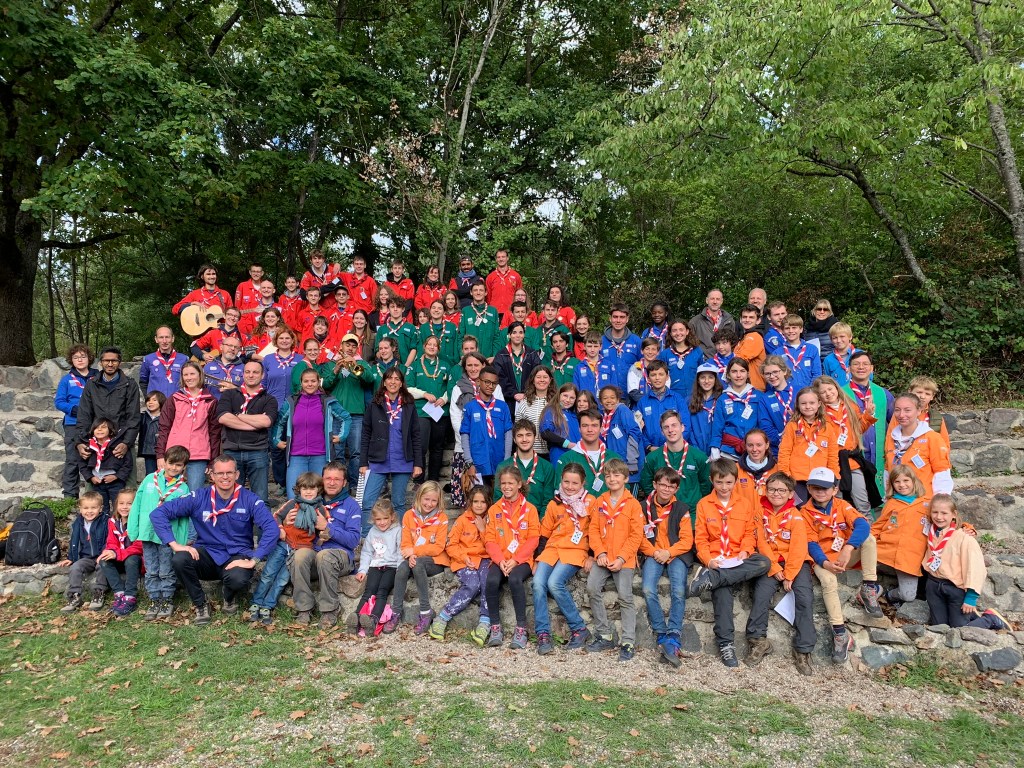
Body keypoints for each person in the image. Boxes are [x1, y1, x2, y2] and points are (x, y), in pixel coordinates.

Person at [151, 454, 279, 625]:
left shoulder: (249, 499)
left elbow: (272, 529)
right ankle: (200, 604)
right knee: (180, 559)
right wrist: (174, 545)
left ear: (237, 474)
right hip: (207, 554)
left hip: (236, 556)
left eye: (229, 472)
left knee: (238, 578)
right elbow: (158, 513)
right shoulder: (199, 497)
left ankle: (229, 596)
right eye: (220, 473)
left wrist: (254, 559)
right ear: (212, 475)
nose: (225, 477)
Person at [686, 459, 771, 668]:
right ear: (711, 481)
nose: (724, 487)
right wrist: (709, 560)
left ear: (735, 482)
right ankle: (726, 644)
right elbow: (701, 539)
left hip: (738, 559)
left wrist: (745, 551)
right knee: (722, 593)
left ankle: (712, 579)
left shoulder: (744, 504)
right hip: (717, 559)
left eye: (729, 483)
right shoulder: (704, 504)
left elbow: (750, 533)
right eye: (719, 482)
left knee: (764, 562)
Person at [800, 467, 882, 663]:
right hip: (822, 559)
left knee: (869, 539)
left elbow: (863, 524)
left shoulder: (842, 505)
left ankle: (869, 587)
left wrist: (849, 547)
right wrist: (825, 563)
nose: (820, 491)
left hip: (844, 554)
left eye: (825, 487)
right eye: (816, 487)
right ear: (809, 489)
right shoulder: (804, 512)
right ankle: (840, 633)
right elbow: (811, 543)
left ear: (835, 489)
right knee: (829, 582)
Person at [748, 471, 816, 675]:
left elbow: (799, 547)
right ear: (765, 490)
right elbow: (761, 542)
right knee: (761, 594)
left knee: (804, 597)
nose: (776, 493)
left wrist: (790, 574)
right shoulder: (759, 512)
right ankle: (758, 640)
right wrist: (775, 568)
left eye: (781, 490)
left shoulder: (796, 515)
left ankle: (803, 649)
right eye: (772, 489)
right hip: (769, 562)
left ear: (790, 494)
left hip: (795, 562)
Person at [585, 458, 644, 661]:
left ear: (626, 479)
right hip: (603, 557)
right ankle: (604, 634)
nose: (612, 479)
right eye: (608, 475)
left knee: (625, 597)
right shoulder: (599, 501)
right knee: (592, 588)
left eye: (617, 475)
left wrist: (621, 558)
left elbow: (636, 536)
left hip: (623, 559)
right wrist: (600, 553)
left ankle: (628, 641)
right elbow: (593, 529)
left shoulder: (633, 505)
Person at [533, 463, 595, 654]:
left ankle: (579, 628)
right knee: (538, 583)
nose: (569, 486)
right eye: (566, 482)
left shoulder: (591, 502)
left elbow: (596, 530)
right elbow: (544, 533)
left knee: (554, 583)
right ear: (561, 481)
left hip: (575, 550)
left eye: (575, 483)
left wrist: (592, 556)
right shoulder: (555, 503)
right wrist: (536, 559)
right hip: (552, 549)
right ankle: (543, 634)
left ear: (583, 483)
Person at [922, 494, 1009, 630]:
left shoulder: (964, 538)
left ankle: (990, 619)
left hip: (955, 589)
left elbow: (976, 568)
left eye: (944, 513)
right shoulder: (930, 532)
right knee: (940, 628)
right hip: (934, 585)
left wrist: (971, 597)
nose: (939, 517)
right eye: (935, 512)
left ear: (954, 514)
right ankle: (971, 616)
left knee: (960, 629)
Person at [291, 461, 361, 628]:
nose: (332, 482)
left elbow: (353, 540)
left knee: (325, 555)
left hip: (340, 556)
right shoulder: (311, 500)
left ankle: (330, 609)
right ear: (322, 480)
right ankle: (304, 608)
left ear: (344, 482)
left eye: (337, 479)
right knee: (299, 555)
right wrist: (287, 521)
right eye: (328, 478)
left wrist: (327, 528)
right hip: (315, 552)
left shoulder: (351, 505)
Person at [249, 472, 326, 626]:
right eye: (304, 488)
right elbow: (276, 516)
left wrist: (322, 536)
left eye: (312, 488)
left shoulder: (320, 509)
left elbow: (324, 528)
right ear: (299, 489)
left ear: (318, 490)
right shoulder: (292, 504)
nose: (308, 492)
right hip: (283, 544)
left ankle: (268, 605)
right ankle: (256, 602)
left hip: (300, 550)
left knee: (282, 579)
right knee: (268, 573)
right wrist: (280, 528)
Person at [127, 445, 191, 621]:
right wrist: (133, 529)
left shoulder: (183, 488)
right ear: (165, 462)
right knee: (151, 569)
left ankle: (167, 599)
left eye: (178, 465)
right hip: (147, 533)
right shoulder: (149, 480)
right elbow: (137, 505)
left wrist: (180, 541)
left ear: (184, 467)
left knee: (166, 570)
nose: (173, 468)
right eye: (171, 463)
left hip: (167, 537)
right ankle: (155, 599)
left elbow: (184, 518)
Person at [639, 467, 694, 668]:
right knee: (647, 589)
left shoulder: (682, 508)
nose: (666, 489)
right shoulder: (643, 507)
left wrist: (668, 552)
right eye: (662, 485)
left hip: (675, 554)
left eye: (671, 486)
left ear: (676, 489)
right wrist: (654, 552)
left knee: (678, 590)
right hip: (653, 553)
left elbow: (687, 540)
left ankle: (674, 633)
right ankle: (661, 632)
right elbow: (639, 536)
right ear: (655, 485)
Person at [483, 466, 541, 649]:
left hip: (521, 559)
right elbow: (489, 539)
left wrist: (516, 560)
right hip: (500, 558)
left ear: (519, 484)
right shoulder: (494, 509)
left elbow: (533, 539)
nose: (506, 486)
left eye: (510, 483)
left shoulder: (530, 509)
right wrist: (500, 560)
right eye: (503, 483)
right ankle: (495, 627)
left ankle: (521, 628)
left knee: (515, 579)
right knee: (491, 580)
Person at [360, 368, 423, 533]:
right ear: (384, 382)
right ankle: (366, 537)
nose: (393, 382)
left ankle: (399, 538)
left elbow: (416, 435)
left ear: (401, 383)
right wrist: (363, 462)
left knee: (399, 503)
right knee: (368, 501)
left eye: (396, 379)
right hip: (378, 459)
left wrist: (418, 463)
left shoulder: (409, 405)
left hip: (402, 459)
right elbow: (366, 434)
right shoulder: (374, 404)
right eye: (389, 378)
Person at [273, 368, 351, 499]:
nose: (310, 384)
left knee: (320, 496)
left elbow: (346, 417)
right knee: (293, 496)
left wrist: (342, 436)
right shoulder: (292, 402)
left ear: (318, 382)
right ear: (301, 383)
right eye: (306, 381)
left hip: (320, 455)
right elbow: (279, 421)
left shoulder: (327, 401)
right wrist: (276, 440)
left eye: (313, 381)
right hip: (296, 456)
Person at [385, 481, 451, 634]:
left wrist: (414, 551)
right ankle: (396, 612)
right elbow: (405, 543)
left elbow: (438, 547)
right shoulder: (409, 515)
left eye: (434, 500)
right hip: (413, 557)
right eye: (426, 499)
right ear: (419, 497)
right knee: (402, 568)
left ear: (439, 501)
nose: (429, 503)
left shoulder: (442, 518)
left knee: (418, 564)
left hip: (435, 560)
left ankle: (425, 611)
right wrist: (411, 554)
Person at [430, 487, 492, 644]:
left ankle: (485, 622)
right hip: (463, 559)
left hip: (485, 558)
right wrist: (464, 558)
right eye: (475, 501)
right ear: (470, 502)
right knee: (472, 584)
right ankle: (443, 617)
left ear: (488, 503)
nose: (479, 505)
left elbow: (494, 544)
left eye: (483, 502)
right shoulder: (462, 520)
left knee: (488, 582)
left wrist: (483, 529)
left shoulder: (492, 520)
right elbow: (451, 545)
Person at [815, 375, 881, 513]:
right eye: (823, 392)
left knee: (862, 501)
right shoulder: (818, 413)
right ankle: (838, 525)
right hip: (831, 463)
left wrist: (868, 414)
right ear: (818, 396)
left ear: (836, 388)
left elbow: (858, 429)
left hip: (852, 462)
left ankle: (867, 526)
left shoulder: (850, 405)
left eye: (830, 389)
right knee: (836, 501)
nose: (828, 393)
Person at [216, 360, 278, 502]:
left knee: (260, 497)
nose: (251, 375)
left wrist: (238, 415)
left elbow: (266, 421)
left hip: (257, 452)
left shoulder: (269, 399)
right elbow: (223, 418)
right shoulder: (229, 394)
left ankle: (259, 518)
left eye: (255, 372)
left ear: (262, 375)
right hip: (232, 451)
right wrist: (253, 424)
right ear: (243, 374)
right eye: (247, 372)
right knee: (229, 496)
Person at [156, 361, 221, 494]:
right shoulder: (174, 399)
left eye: (192, 374)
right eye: (185, 375)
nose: (189, 378)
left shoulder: (210, 401)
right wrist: (160, 455)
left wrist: (213, 460)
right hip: (173, 453)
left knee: (195, 494)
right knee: (169, 493)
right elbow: (164, 428)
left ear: (200, 375)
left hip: (199, 455)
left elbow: (214, 433)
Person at [871, 465, 930, 606]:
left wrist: (966, 527)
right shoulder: (891, 503)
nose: (902, 485)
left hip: (909, 557)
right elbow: (878, 526)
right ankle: (871, 591)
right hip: (886, 550)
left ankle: (888, 595)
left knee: (908, 595)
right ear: (892, 484)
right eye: (897, 482)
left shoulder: (927, 503)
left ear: (914, 481)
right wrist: (865, 541)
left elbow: (946, 520)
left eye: (906, 480)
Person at [75, 347, 141, 469]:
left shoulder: (130, 385)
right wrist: (80, 441)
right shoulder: (91, 385)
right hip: (97, 440)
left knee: (127, 479)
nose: (110, 364)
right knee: (95, 479)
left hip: (121, 441)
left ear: (119, 362)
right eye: (106, 360)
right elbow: (84, 415)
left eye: (114, 361)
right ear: (101, 362)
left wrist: (126, 443)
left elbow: (133, 417)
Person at [638, 410, 711, 512]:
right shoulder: (652, 458)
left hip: (692, 513)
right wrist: (660, 501)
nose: (670, 430)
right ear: (662, 432)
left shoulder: (700, 457)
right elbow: (647, 484)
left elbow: (706, 486)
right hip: (663, 513)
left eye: (674, 425)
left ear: (682, 427)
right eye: (666, 427)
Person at [349, 499, 403, 636]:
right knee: (368, 591)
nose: (382, 522)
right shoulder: (373, 531)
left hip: (391, 567)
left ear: (392, 517)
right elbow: (367, 552)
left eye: (385, 518)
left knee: (382, 592)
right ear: (373, 519)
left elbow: (400, 551)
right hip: (375, 566)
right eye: (378, 519)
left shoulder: (398, 530)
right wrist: (363, 570)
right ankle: (356, 618)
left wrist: (400, 569)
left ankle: (373, 620)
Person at [777, 387, 840, 505]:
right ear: (798, 405)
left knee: (819, 509)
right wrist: (785, 475)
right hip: (796, 479)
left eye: (812, 403)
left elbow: (832, 454)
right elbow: (784, 452)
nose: (808, 406)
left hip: (821, 478)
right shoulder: (792, 426)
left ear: (819, 404)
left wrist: (833, 474)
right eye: (803, 403)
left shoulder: (827, 427)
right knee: (799, 509)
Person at [844, 351, 893, 496]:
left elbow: (894, 421)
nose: (861, 367)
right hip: (854, 452)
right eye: (856, 364)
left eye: (865, 364)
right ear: (849, 368)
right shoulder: (840, 393)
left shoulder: (883, 394)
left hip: (879, 451)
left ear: (872, 368)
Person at [885, 393, 953, 497]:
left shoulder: (932, 438)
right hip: (896, 501)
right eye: (897, 410)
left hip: (923, 501)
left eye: (907, 410)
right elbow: (887, 471)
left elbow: (942, 472)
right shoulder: (892, 438)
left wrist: (940, 500)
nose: (901, 415)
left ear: (918, 411)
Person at [328, 334, 373, 488]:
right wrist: (336, 370)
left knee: (356, 452)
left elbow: (369, 379)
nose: (350, 348)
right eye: (347, 345)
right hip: (336, 415)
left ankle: (354, 484)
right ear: (341, 346)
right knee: (337, 452)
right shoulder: (331, 363)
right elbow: (325, 385)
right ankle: (340, 485)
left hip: (356, 415)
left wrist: (354, 366)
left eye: (354, 346)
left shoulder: (362, 364)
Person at [406, 335, 451, 483]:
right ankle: (419, 481)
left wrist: (444, 398)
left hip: (440, 411)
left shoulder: (445, 365)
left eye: (435, 345)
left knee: (437, 447)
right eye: (429, 344)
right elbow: (408, 388)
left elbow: (451, 387)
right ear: (424, 346)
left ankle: (433, 481)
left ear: (438, 348)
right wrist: (424, 394)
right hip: (421, 411)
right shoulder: (415, 365)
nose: (432, 347)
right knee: (421, 445)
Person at [460, 365, 513, 490]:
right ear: (479, 381)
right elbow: (465, 435)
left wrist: (506, 461)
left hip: (499, 462)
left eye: (494, 383)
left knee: (498, 497)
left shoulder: (503, 406)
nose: (490, 386)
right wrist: (469, 463)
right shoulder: (470, 407)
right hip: (477, 463)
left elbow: (508, 434)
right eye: (487, 382)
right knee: (479, 497)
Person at [55, 344, 97, 498]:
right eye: (76, 357)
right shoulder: (66, 380)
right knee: (73, 460)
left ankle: (95, 495)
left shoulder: (98, 377)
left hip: (95, 424)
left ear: (89, 358)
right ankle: (70, 496)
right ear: (71, 360)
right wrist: (74, 409)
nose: (80, 360)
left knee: (96, 457)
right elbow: (59, 402)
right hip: (73, 423)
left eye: (83, 356)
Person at [59, 491, 110, 613]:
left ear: (100, 508)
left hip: (102, 555)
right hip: (86, 557)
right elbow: (74, 541)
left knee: (102, 566)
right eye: (86, 508)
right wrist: (71, 558)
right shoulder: (78, 522)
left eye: (93, 508)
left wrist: (105, 553)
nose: (89, 511)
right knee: (75, 567)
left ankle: (99, 593)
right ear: (80, 509)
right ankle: (74, 596)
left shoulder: (106, 521)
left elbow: (109, 540)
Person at [492, 419, 556, 514]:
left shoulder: (547, 467)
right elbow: (498, 499)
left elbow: (548, 501)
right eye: (520, 436)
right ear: (514, 439)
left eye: (528, 435)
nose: (524, 439)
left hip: (537, 520)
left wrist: (538, 522)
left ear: (535, 437)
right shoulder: (503, 466)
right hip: (510, 519)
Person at [97, 489, 144, 617]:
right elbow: (111, 542)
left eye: (129, 503)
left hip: (136, 562)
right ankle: (119, 593)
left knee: (132, 559)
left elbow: (139, 547)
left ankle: (130, 596)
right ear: (116, 504)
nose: (124, 507)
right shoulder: (113, 521)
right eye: (121, 503)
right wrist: (109, 551)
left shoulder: (140, 522)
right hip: (120, 558)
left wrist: (117, 554)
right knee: (104, 560)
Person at [556, 408, 622, 496]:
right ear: (579, 429)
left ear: (601, 428)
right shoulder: (566, 459)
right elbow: (559, 493)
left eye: (594, 425)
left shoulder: (614, 458)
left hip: (608, 505)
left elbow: (623, 490)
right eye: (585, 425)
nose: (590, 429)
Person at [709, 358, 762, 460]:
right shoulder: (722, 399)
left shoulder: (759, 396)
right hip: (729, 452)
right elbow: (717, 427)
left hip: (755, 451)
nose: (738, 375)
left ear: (748, 374)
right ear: (728, 375)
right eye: (734, 371)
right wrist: (715, 449)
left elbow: (763, 425)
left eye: (742, 371)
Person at [634, 360, 688, 457]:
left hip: (675, 451)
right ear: (648, 378)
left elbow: (686, 425)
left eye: (661, 374)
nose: (657, 378)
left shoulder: (677, 399)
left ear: (667, 377)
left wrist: (674, 444)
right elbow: (638, 429)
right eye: (653, 375)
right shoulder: (642, 402)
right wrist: (648, 446)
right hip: (652, 452)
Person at [79, 417, 132, 515]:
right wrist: (91, 477)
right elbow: (82, 464)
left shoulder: (118, 446)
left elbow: (127, 464)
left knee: (118, 506)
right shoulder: (89, 446)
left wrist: (116, 476)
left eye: (103, 427)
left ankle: (117, 524)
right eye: (96, 428)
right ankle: (103, 523)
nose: (99, 430)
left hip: (115, 482)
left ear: (110, 431)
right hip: (97, 483)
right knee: (102, 508)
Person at [494, 322, 541, 402]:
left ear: (524, 335)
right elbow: (500, 377)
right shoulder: (501, 355)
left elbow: (537, 374)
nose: (518, 335)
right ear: (509, 335)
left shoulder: (532, 354)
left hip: (529, 398)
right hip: (507, 400)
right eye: (514, 332)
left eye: (521, 332)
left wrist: (526, 393)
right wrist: (514, 393)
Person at [757, 355, 795, 454]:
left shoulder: (800, 391)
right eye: (767, 374)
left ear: (784, 371)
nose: (772, 376)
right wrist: (781, 440)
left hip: (802, 445)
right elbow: (765, 426)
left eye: (775, 372)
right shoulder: (764, 399)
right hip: (779, 449)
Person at [600, 304, 642, 394]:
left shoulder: (636, 341)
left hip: (631, 394)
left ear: (627, 319)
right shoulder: (601, 341)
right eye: (615, 317)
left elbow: (644, 365)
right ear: (610, 318)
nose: (618, 321)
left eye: (622, 317)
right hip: (607, 395)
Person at [140, 326, 189, 400]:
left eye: (167, 337)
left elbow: (189, 381)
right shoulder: (148, 359)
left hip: (177, 402)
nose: (164, 341)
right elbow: (143, 382)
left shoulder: (184, 359)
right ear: (156, 339)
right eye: (161, 337)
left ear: (172, 338)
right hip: (157, 404)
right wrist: (149, 399)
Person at [659, 319, 703, 401]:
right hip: (672, 398)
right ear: (670, 333)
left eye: (681, 330)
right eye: (674, 330)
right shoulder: (664, 354)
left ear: (687, 331)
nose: (678, 333)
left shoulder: (697, 351)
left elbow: (702, 374)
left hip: (694, 398)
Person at [515, 366, 554, 455]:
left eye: (545, 377)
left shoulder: (555, 403)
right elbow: (517, 429)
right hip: (529, 452)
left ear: (550, 380)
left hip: (550, 452)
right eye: (538, 377)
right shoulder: (524, 403)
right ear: (533, 380)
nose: (542, 380)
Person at [734, 428, 777, 510]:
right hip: (743, 516)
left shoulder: (778, 470)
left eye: (759, 445)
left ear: (767, 445)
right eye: (750, 445)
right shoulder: (734, 470)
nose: (754, 449)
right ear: (745, 446)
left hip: (768, 517)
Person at [540, 384, 581, 466]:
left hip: (577, 455)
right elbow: (545, 433)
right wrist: (567, 444)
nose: (568, 400)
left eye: (572, 398)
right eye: (565, 396)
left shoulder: (574, 414)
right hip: (559, 454)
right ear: (559, 395)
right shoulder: (551, 411)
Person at [686, 364, 723, 454]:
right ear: (698, 380)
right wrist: (694, 448)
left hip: (718, 450)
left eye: (710, 377)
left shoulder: (721, 399)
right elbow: (687, 426)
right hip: (695, 449)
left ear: (715, 380)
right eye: (703, 377)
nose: (706, 381)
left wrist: (717, 447)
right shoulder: (689, 400)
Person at [780, 314, 821, 392]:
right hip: (788, 392)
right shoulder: (777, 353)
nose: (791, 331)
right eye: (787, 328)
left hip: (810, 391)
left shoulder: (812, 349)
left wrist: (810, 390)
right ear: (782, 331)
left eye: (794, 327)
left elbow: (817, 373)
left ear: (801, 329)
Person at [459, 281, 500, 359]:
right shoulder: (465, 311)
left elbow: (497, 336)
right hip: (470, 358)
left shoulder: (493, 311)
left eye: (481, 290)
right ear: (471, 292)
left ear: (486, 293)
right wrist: (462, 355)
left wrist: (495, 356)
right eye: (475, 290)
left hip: (488, 358)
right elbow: (460, 336)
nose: (478, 293)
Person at [690, 289, 736, 356]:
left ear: (721, 301)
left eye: (718, 299)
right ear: (707, 300)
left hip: (724, 360)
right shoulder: (695, 321)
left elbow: (733, 343)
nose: (715, 302)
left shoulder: (729, 321)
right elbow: (689, 343)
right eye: (712, 299)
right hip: (704, 360)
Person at [375, 295, 419, 367]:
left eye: (398, 306)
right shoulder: (382, 329)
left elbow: (414, 349)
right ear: (388, 309)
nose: (395, 309)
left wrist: (405, 367)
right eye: (392, 307)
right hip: (387, 368)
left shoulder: (411, 327)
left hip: (406, 366)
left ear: (403, 309)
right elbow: (377, 350)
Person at [734, 305, 767, 391]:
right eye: (744, 317)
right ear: (740, 319)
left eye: (751, 317)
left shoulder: (754, 336)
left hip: (754, 388)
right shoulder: (745, 336)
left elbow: (739, 360)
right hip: (745, 387)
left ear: (758, 320)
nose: (747, 320)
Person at [419, 299, 460, 368]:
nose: (436, 310)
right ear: (430, 310)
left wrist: (455, 365)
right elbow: (420, 348)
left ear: (444, 312)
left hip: (449, 365)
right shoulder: (423, 328)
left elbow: (456, 348)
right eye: (434, 308)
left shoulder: (452, 327)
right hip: (428, 366)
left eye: (439, 308)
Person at [203, 336, 245, 400]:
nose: (233, 349)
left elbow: (251, 391)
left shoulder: (245, 368)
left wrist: (235, 389)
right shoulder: (208, 367)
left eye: (236, 347)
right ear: (221, 347)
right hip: (213, 404)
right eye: (229, 345)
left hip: (235, 404)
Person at [572, 330, 611, 397]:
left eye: (595, 346)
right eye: (589, 346)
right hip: (586, 402)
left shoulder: (609, 365)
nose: (592, 350)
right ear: (584, 346)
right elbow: (576, 390)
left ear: (600, 347)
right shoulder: (579, 367)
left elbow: (614, 388)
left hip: (604, 402)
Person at [485, 249, 522, 317]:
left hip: (511, 312)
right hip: (494, 312)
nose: (501, 259)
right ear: (496, 259)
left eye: (503, 257)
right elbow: (488, 296)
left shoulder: (516, 276)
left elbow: (520, 295)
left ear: (507, 258)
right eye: (498, 257)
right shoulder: (490, 277)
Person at [627, 337, 663, 406]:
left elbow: (665, 388)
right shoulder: (635, 368)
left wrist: (656, 403)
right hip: (639, 406)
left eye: (653, 349)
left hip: (659, 404)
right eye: (647, 349)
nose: (650, 352)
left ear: (658, 352)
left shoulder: (662, 368)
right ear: (641, 351)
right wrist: (648, 403)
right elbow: (632, 391)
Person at [821, 322, 858, 387]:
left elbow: (869, 377)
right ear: (831, 340)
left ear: (850, 337)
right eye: (835, 338)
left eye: (842, 336)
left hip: (858, 392)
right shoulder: (828, 360)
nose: (838, 340)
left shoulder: (860, 355)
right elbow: (827, 382)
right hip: (838, 392)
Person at [138, 392, 164, 479]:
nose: (150, 402)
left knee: (163, 475)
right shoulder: (142, 416)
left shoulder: (165, 417)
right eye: (148, 400)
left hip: (163, 451)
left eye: (154, 400)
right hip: (148, 451)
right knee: (151, 476)